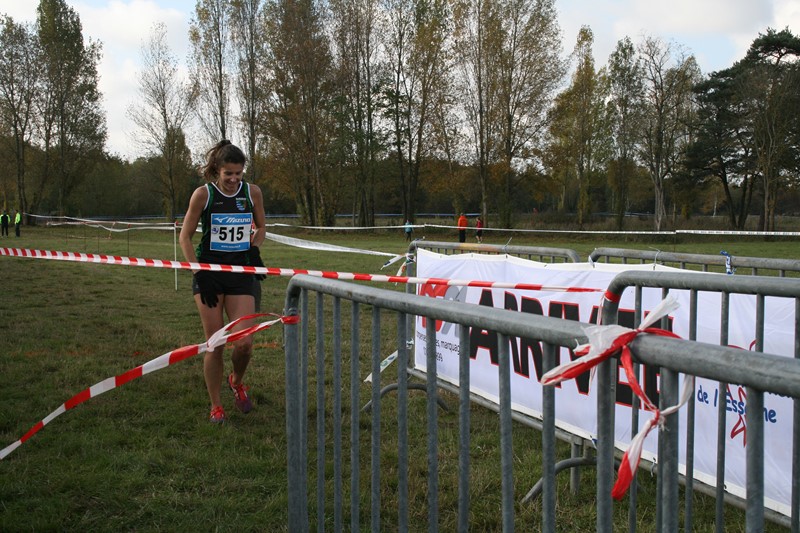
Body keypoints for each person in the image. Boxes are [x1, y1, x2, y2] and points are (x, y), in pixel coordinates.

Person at [179, 140, 266, 424]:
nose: (233, 179)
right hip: (209, 275)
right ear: (217, 170)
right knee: (215, 343)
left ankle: (236, 380)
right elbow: (185, 237)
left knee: (244, 343)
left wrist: (254, 249)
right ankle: (216, 405)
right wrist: (199, 273)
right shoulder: (203, 195)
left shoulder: (252, 193)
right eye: (228, 174)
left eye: (238, 174)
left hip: (241, 274)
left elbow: (261, 227)